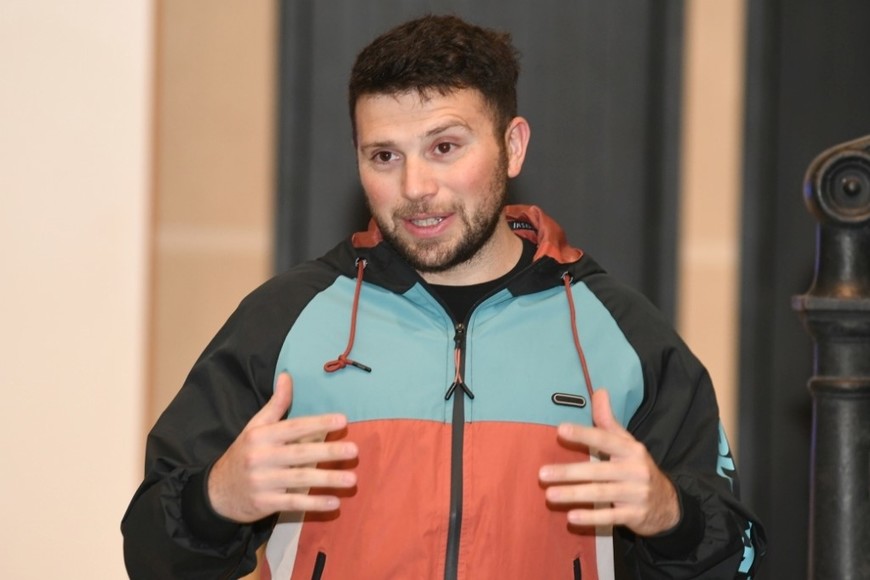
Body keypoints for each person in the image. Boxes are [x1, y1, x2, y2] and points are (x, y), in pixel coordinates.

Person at [122, 14, 766, 579]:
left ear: (512, 146)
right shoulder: (285, 320)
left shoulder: (617, 332)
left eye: (445, 147)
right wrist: (215, 502)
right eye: (384, 156)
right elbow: (148, 554)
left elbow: (736, 558)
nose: (415, 186)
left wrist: (670, 517)